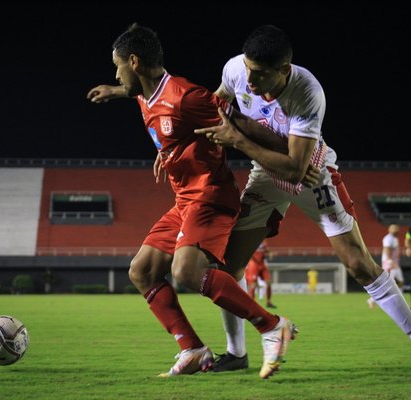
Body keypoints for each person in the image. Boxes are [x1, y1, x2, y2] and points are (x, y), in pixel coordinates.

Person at [194, 25, 411, 377]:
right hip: (265, 172)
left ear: (284, 70)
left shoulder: (307, 91)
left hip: (312, 175)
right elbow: (218, 101)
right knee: (228, 266)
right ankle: (236, 353)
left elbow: (296, 169)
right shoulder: (236, 70)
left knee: (359, 264)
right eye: (248, 69)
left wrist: (238, 139)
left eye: (260, 74)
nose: (250, 81)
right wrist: (182, 146)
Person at [86, 23, 297, 379]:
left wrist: (290, 151)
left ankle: (273, 325)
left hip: (211, 195)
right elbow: (140, 96)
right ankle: (193, 349)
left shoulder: (186, 97)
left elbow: (236, 121)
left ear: (134, 62)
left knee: (186, 271)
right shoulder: (144, 92)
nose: (116, 73)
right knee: (142, 271)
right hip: (185, 199)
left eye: (117, 66)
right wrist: (118, 91)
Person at [368, 224, 404, 309]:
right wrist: (390, 261)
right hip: (390, 264)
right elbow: (387, 250)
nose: (395, 229)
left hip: (394, 263)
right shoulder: (388, 238)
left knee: (400, 282)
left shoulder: (395, 238)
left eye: (396, 228)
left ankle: (400, 302)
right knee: (388, 283)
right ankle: (372, 299)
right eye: (393, 228)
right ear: (389, 229)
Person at [245, 240, 277, 308]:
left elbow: (266, 250)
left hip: (262, 264)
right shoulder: (252, 241)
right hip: (253, 264)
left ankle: (268, 302)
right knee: (252, 285)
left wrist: (270, 253)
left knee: (268, 282)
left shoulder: (263, 242)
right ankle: (251, 303)